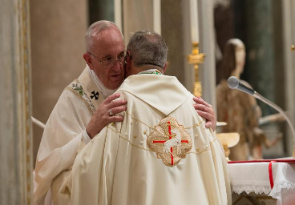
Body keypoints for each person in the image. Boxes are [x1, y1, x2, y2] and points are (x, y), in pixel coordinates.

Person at [33, 21, 217, 204]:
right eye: (107, 59)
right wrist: (88, 134)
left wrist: (206, 127)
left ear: (129, 56)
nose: (118, 67)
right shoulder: (74, 101)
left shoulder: (142, 88)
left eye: (121, 56)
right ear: (89, 61)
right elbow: (47, 169)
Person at [216, 39, 280, 160]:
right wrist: (257, 112)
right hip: (240, 146)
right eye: (241, 51)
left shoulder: (217, 90)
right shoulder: (243, 89)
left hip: (222, 147)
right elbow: (254, 121)